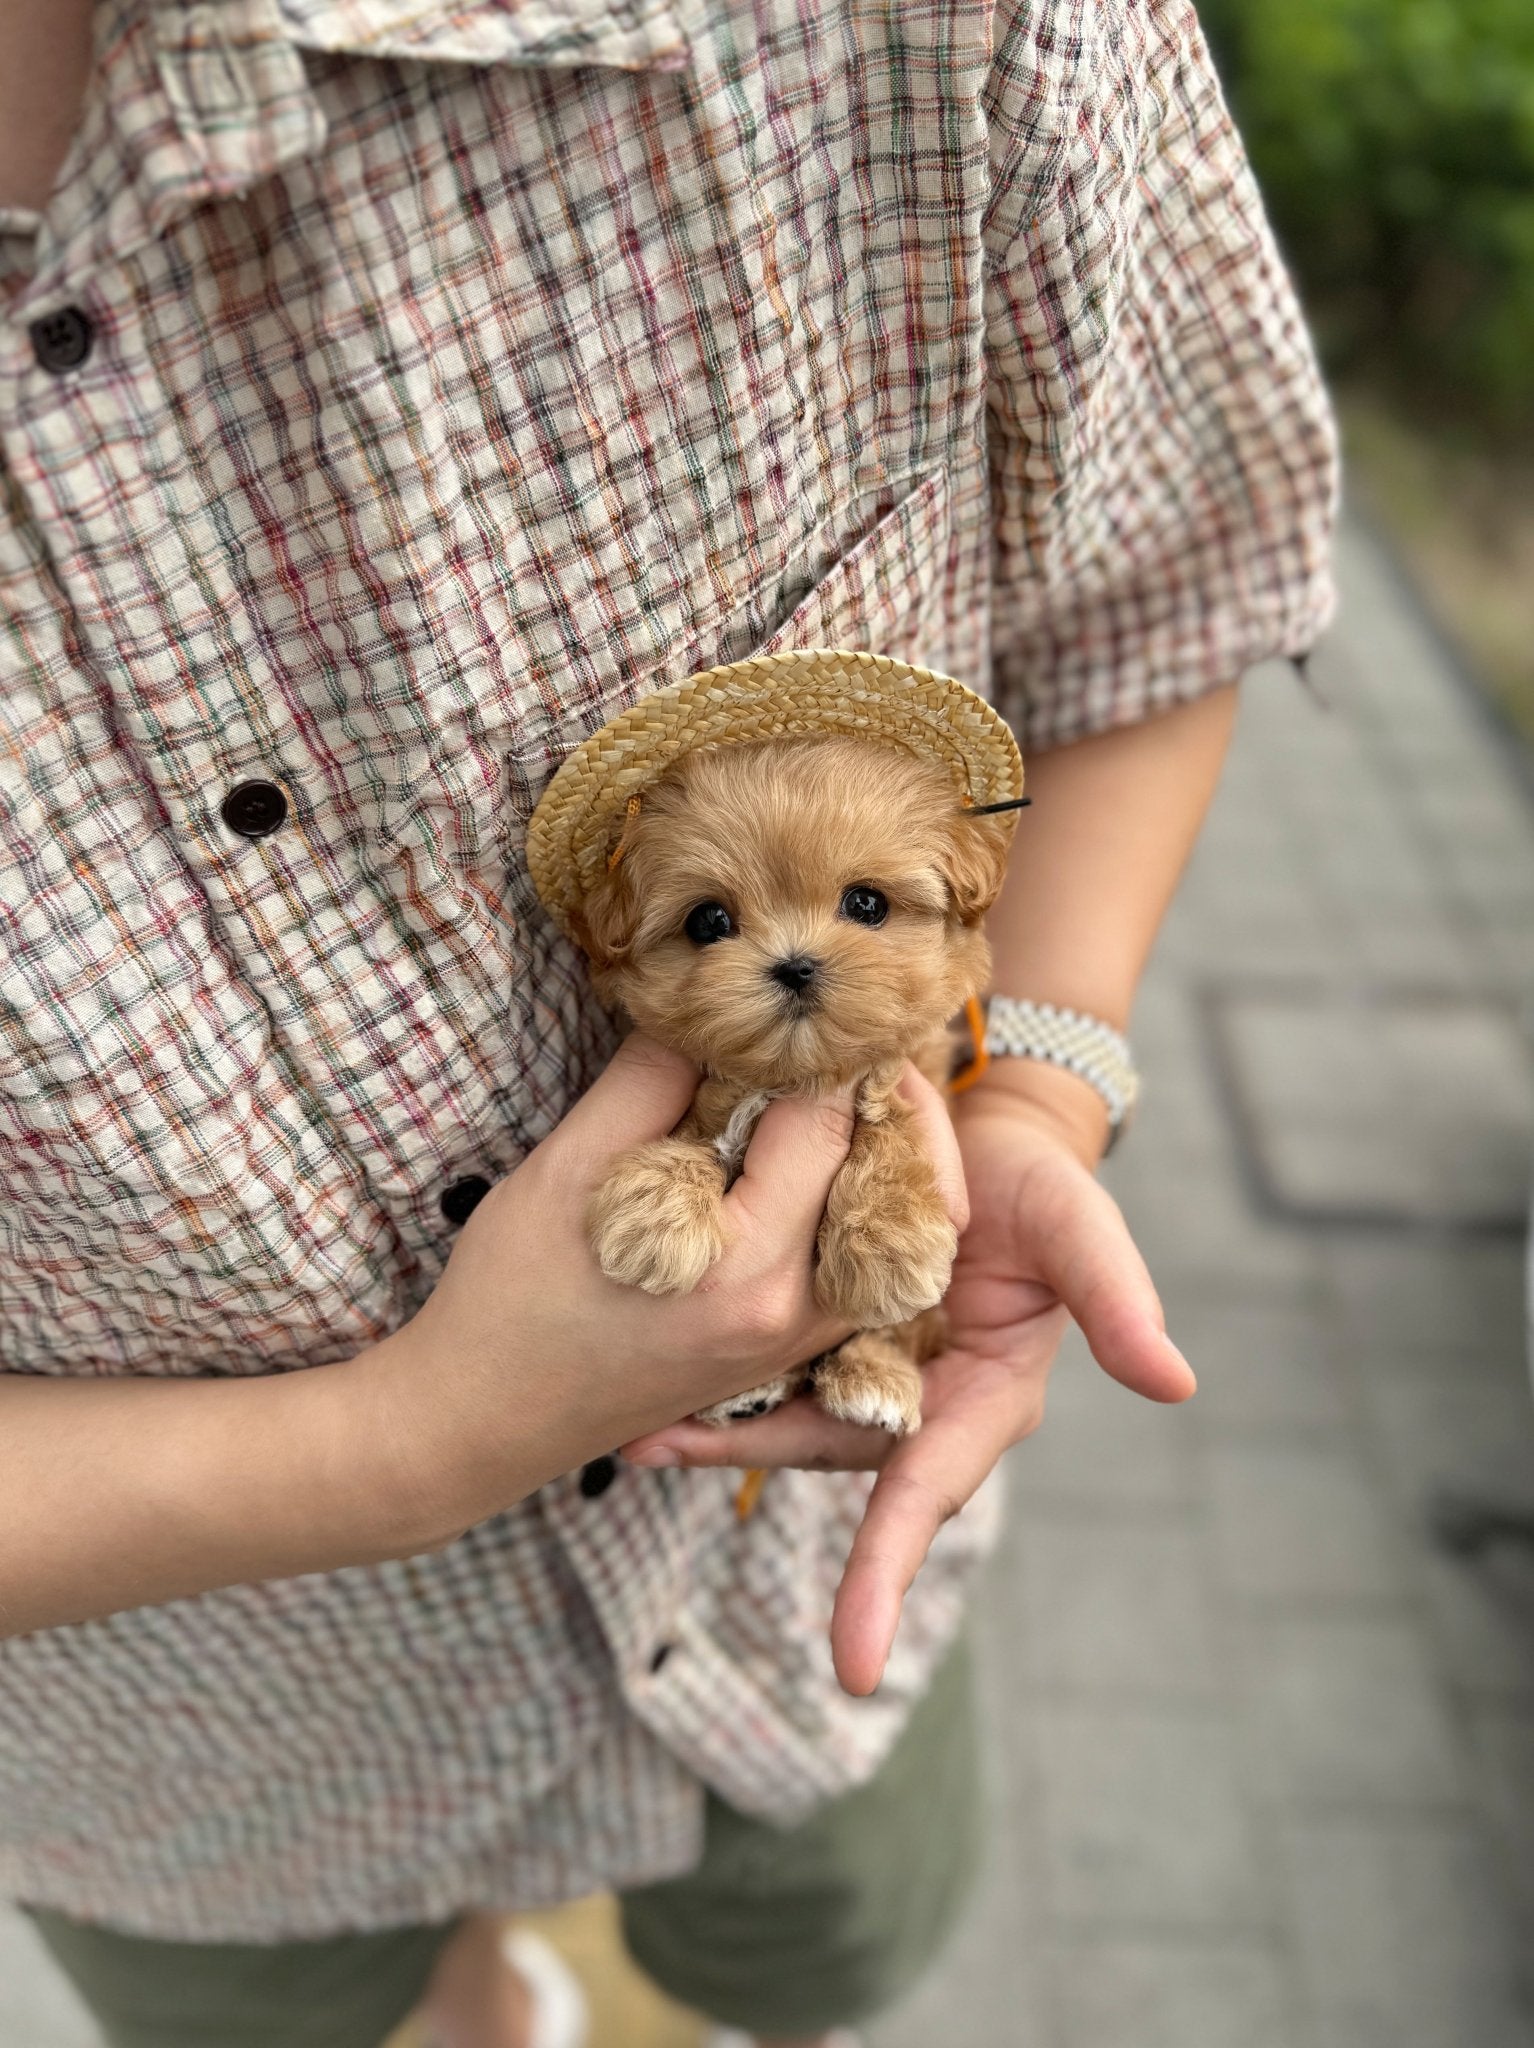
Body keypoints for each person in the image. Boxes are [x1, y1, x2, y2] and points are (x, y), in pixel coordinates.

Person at [0, 1, 1336, 2044]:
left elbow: (1156, 584)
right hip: (179, 1718)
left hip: (791, 1587)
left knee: (823, 1945)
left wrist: (1038, 1102)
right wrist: (407, 1441)